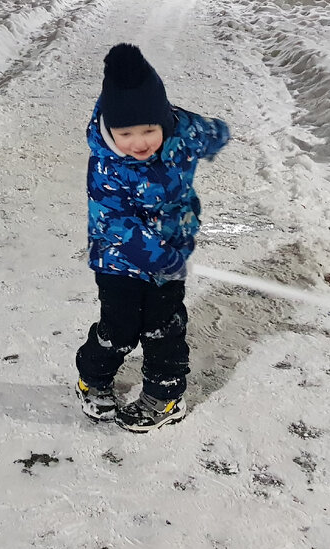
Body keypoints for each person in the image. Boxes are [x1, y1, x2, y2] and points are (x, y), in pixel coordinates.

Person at [76, 43, 230, 432]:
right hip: (118, 263)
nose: (139, 142)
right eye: (125, 132)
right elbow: (114, 224)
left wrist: (219, 134)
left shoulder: (180, 132)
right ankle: (92, 380)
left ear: (165, 120)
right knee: (119, 330)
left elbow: (204, 132)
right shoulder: (108, 166)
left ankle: (165, 396)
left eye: (149, 129)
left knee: (165, 328)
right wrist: (158, 256)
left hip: (171, 259)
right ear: (110, 129)